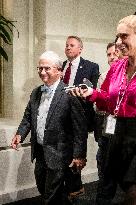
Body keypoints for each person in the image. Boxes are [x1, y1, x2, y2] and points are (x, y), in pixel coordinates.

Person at [71, 14, 136, 205]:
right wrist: (92, 93)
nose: (118, 42)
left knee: (133, 192)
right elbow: (109, 100)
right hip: (116, 133)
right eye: (117, 37)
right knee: (111, 184)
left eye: (124, 36)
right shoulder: (117, 67)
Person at [11, 51, 88, 205]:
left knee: (50, 196)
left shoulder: (69, 94)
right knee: (43, 187)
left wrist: (79, 155)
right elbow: (28, 117)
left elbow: (80, 128)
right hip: (40, 152)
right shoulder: (36, 92)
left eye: (47, 68)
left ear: (59, 70)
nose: (42, 72)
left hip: (59, 153)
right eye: (39, 68)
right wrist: (20, 134)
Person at [63, 35, 99, 198]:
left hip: (80, 116)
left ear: (80, 49)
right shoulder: (62, 66)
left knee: (76, 151)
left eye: (72, 45)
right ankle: (73, 186)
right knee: (65, 150)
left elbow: (92, 93)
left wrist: (81, 94)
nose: (68, 48)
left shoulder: (91, 67)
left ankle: (75, 187)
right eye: (66, 45)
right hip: (63, 115)